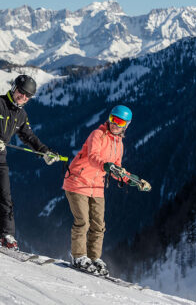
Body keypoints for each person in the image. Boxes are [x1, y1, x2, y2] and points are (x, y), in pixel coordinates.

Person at [0, 75, 59, 250]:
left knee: (5, 197)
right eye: (21, 92)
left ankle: (6, 234)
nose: (23, 97)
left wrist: (44, 152)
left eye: (27, 96)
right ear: (14, 88)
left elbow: (28, 136)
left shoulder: (21, 114)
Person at [62, 105, 150, 275]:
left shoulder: (119, 143)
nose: (115, 124)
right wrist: (106, 165)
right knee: (83, 222)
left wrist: (134, 180)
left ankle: (94, 258)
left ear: (126, 125)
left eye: (119, 121)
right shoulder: (97, 134)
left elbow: (117, 169)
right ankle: (78, 256)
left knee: (99, 225)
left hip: (97, 187)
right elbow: (93, 156)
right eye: (112, 119)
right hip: (77, 182)